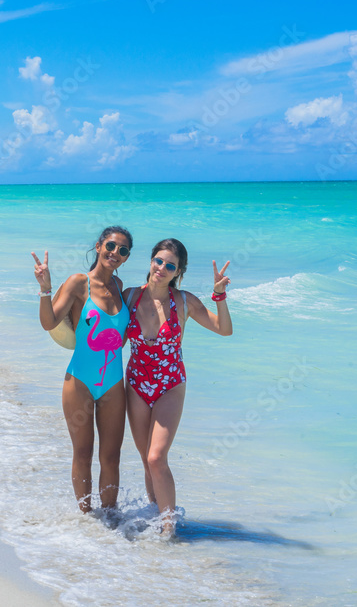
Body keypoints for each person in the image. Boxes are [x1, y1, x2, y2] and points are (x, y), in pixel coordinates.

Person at [122, 238, 232, 536]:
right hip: (136, 385)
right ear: (150, 261)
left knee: (157, 457)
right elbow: (109, 335)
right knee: (147, 462)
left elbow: (224, 330)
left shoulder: (184, 301)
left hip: (170, 384)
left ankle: (167, 534)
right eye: (158, 260)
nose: (162, 268)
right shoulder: (130, 297)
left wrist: (219, 295)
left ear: (178, 272)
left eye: (170, 265)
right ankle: (158, 519)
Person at [32, 227, 132, 513]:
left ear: (126, 258)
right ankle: (87, 521)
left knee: (112, 457)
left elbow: (121, 334)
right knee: (83, 453)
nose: (116, 253)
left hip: (113, 383)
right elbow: (49, 322)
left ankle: (111, 519)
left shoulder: (119, 286)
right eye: (111, 246)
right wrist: (44, 288)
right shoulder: (79, 283)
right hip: (79, 381)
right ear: (99, 246)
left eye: (123, 250)